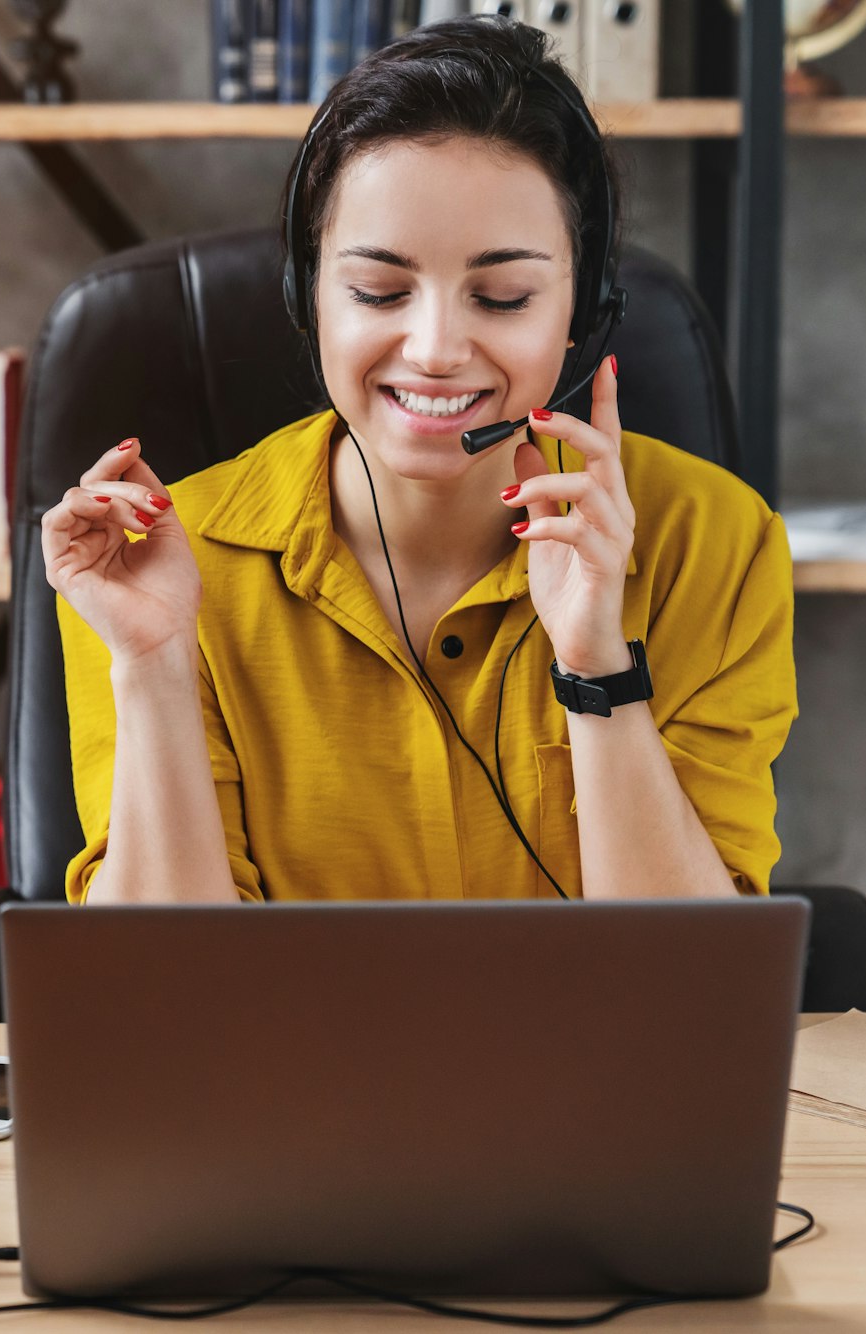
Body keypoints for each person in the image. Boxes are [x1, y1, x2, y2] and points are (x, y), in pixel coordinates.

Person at [40, 15, 796, 905]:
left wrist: (599, 671)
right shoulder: (161, 561)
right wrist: (155, 666)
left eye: (503, 296)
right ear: (308, 294)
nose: (436, 347)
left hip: (579, 1052)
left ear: (581, 312)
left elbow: (698, 998)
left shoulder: (715, 541)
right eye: (379, 291)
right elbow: (158, 1006)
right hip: (286, 1051)